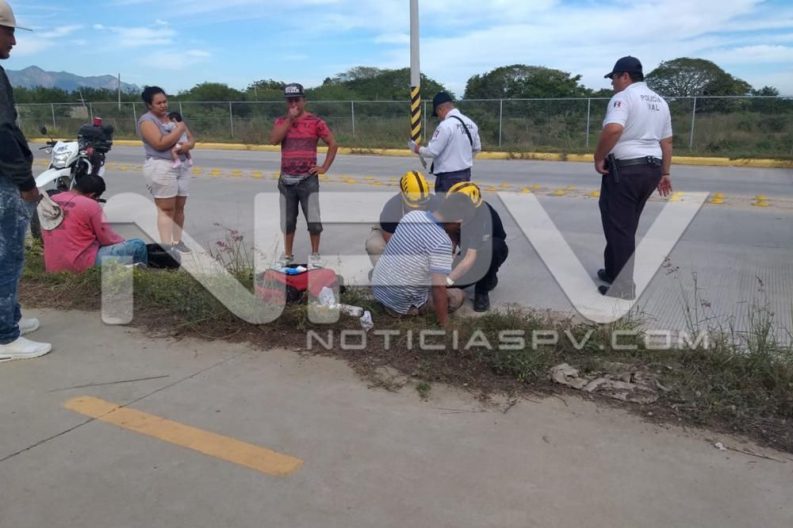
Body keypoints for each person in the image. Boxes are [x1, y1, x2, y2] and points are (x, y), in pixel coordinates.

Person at [594, 56, 673, 299]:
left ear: (625, 76)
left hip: (626, 171)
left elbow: (614, 129)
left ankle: (623, 287)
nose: (612, 84)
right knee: (622, 224)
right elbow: (667, 141)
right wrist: (665, 172)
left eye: (614, 78)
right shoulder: (660, 102)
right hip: (651, 169)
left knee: (620, 228)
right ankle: (612, 271)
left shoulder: (623, 97)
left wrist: (598, 156)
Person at [0, 0, 52, 361]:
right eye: (10, 32)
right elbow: (2, 132)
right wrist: (25, 182)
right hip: (4, 180)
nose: (14, 42)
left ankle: (11, 318)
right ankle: (5, 337)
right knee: (8, 256)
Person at [372, 193, 476, 327]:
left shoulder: (412, 216)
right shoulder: (441, 242)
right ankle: (411, 311)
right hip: (398, 306)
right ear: (458, 222)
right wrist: (444, 324)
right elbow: (438, 288)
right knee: (458, 296)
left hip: (378, 291)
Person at [269, 83, 338, 269]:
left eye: (296, 100)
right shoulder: (281, 121)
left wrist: (323, 167)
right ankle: (288, 255)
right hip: (286, 181)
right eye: (290, 100)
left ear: (304, 100)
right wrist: (289, 121)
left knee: (313, 220)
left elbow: (332, 144)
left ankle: (315, 254)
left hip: (307, 180)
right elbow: (274, 140)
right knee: (288, 221)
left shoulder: (316, 122)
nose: (293, 104)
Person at [40, 174, 148, 273]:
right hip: (80, 265)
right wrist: (123, 243)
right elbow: (108, 240)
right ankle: (140, 279)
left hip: (52, 266)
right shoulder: (90, 205)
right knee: (138, 245)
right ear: (92, 195)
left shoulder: (53, 199)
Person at [137, 86, 195, 253]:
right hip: (161, 166)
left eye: (165, 101)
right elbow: (160, 143)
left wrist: (188, 145)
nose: (163, 105)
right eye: (158, 103)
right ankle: (166, 246)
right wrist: (179, 130)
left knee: (180, 206)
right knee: (166, 208)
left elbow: (191, 140)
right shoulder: (147, 121)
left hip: (182, 165)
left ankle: (177, 241)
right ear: (149, 105)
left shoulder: (172, 118)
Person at [445, 182, 508, 312]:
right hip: (467, 252)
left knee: (492, 248)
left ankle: (483, 288)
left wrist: (448, 280)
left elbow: (470, 257)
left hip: (487, 251)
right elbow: (452, 236)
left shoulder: (482, 216)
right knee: (445, 285)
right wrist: (446, 261)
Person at [408, 91, 481, 193]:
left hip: (448, 179)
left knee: (445, 208)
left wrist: (417, 149)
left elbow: (432, 151)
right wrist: (464, 160)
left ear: (440, 109)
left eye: (437, 113)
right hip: (465, 175)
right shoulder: (471, 123)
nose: (439, 117)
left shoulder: (445, 126)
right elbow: (477, 148)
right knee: (461, 206)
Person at [365, 170, 439, 267]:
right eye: (413, 206)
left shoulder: (436, 204)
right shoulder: (392, 207)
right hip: (394, 237)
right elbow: (391, 243)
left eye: (422, 205)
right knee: (374, 245)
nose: (417, 208)